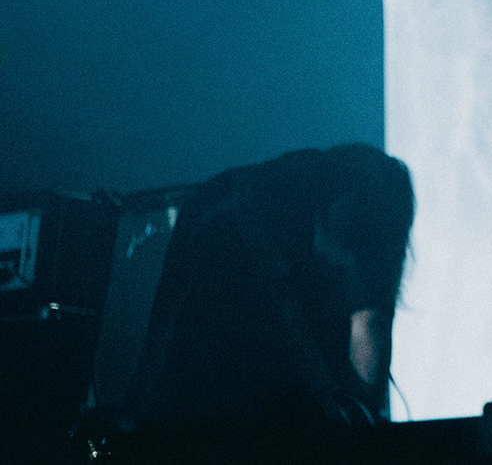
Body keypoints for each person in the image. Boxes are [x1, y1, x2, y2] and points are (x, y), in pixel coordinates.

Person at [118, 144, 414, 429]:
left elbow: (371, 318)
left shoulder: (370, 210)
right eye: (350, 233)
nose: (346, 262)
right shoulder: (239, 214)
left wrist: (362, 415)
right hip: (204, 395)